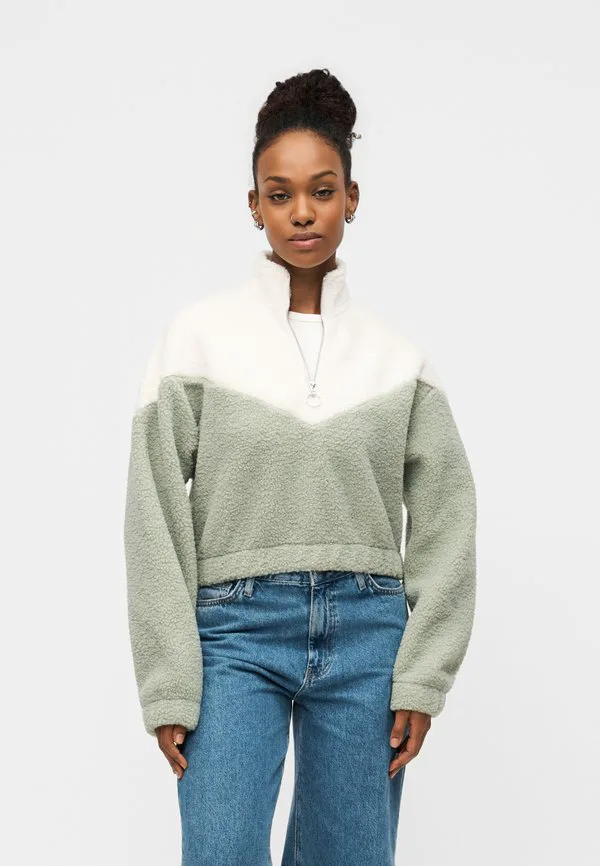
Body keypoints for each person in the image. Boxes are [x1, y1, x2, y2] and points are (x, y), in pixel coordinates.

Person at [123, 67, 477, 866]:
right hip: (233, 634)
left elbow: (448, 518)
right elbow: (152, 506)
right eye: (280, 195)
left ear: (352, 196)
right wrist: (168, 676)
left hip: (368, 637)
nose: (303, 212)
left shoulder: (398, 359)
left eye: (322, 190)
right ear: (254, 205)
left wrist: (423, 675)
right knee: (220, 851)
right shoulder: (199, 338)